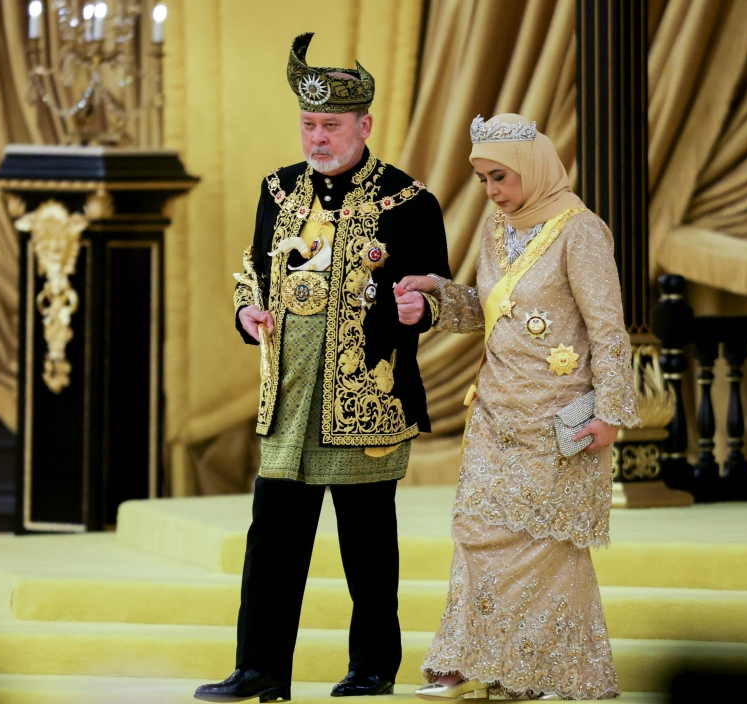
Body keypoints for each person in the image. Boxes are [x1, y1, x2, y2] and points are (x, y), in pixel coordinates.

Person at [194, 33, 451, 703]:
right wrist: (248, 313)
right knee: (272, 540)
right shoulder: (277, 192)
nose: (317, 137)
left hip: (368, 399)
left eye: (330, 125)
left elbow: (438, 295)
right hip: (289, 398)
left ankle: (371, 668)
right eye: (308, 124)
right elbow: (252, 272)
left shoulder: (410, 202)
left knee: (368, 546)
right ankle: (258, 670)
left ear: (364, 125)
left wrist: (416, 307)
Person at [395, 114, 640, 701]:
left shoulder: (580, 232)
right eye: (482, 180)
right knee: (476, 532)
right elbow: (486, 310)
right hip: (496, 410)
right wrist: (438, 293)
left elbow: (608, 330)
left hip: (559, 419)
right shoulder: (497, 229)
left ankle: (538, 672)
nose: (491, 192)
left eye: (499, 177)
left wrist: (610, 411)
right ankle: (468, 656)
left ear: (531, 168)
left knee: (547, 550)